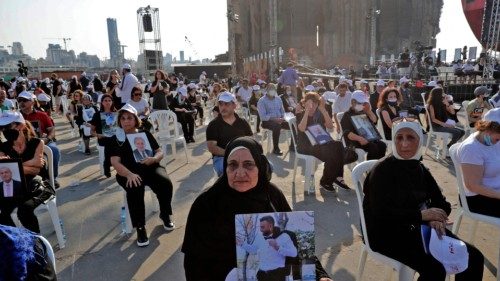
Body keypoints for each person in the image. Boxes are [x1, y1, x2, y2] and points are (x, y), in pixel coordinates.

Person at [182, 136, 333, 281]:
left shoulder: (272, 195)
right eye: (232, 165)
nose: (240, 173)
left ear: (260, 167)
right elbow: (194, 266)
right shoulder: (206, 204)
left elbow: (299, 248)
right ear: (225, 168)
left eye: (248, 164)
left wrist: (320, 275)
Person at [363, 119, 484, 281]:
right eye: (399, 138)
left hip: (419, 227)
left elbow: (442, 203)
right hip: (387, 233)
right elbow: (381, 213)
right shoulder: (382, 171)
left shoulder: (418, 167)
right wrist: (423, 216)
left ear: (420, 139)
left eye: (410, 138)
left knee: (473, 257)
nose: (404, 144)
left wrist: (436, 217)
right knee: (435, 270)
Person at [109, 104, 175, 247]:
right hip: (128, 172)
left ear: (136, 120)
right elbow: (115, 162)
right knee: (135, 188)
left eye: (130, 118)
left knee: (165, 183)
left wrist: (155, 159)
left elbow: (159, 151)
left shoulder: (145, 134)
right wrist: (129, 174)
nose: (126, 121)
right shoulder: (116, 139)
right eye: (123, 118)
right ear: (120, 121)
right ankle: (140, 227)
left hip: (150, 167)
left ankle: (165, 214)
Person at [0, 112, 55, 233]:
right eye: (2, 128)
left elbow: (37, 170)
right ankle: (15, 241)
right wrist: (31, 163)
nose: (4, 130)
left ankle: (37, 244)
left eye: (8, 127)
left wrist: (12, 165)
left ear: (21, 126)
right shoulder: (3, 147)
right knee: (2, 212)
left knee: (25, 210)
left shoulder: (36, 142)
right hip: (16, 188)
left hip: (39, 186)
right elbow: (6, 170)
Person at [296, 92, 348, 191]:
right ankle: (329, 180)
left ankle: (335, 178)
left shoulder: (319, 114)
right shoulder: (301, 114)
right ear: (305, 103)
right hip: (306, 146)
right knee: (332, 153)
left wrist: (323, 110)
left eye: (315, 103)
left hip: (321, 143)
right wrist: (307, 111)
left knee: (338, 145)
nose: (312, 105)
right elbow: (302, 128)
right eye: (310, 103)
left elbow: (330, 127)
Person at [456, 108, 500, 218]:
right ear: (488, 129)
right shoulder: (471, 148)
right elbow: (473, 186)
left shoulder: (492, 141)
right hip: (476, 198)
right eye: (498, 138)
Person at [18, 92, 61, 187]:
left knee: (54, 150)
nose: (21, 103)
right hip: (22, 144)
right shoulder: (16, 116)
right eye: (19, 100)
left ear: (32, 102)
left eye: (24, 100)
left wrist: (47, 139)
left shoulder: (42, 115)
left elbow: (51, 130)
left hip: (43, 141)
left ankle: (52, 177)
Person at [206, 92, 253, 176]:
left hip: (243, 156)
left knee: (267, 167)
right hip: (222, 157)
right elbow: (212, 147)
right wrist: (232, 154)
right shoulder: (213, 125)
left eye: (227, 104)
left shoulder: (242, 122)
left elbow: (251, 140)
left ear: (234, 105)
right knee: (231, 171)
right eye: (220, 104)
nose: (223, 107)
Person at [237, 215, 298, 281]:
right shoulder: (260, 237)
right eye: (260, 227)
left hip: (277, 275)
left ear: (270, 226)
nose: (260, 230)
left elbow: (294, 253)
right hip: (262, 275)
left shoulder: (284, 237)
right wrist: (242, 244)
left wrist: (277, 247)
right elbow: (254, 250)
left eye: (262, 227)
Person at [341, 91, 387, 160]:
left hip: (367, 139)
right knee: (373, 147)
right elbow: (348, 133)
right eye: (360, 103)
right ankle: (369, 167)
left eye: (364, 103)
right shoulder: (346, 115)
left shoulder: (363, 112)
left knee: (382, 145)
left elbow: (374, 121)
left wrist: (369, 111)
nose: (362, 105)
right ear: (353, 102)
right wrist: (360, 139)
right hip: (355, 141)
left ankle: (378, 165)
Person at [258, 83, 292, 155]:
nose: (272, 91)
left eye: (274, 89)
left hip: (279, 120)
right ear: (266, 90)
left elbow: (282, 111)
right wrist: (275, 119)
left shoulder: (278, 99)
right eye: (270, 89)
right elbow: (263, 116)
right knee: (277, 125)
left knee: (293, 124)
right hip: (267, 121)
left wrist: (282, 118)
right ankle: (276, 149)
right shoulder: (262, 101)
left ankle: (292, 146)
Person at [90, 94, 117, 178]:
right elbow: (91, 131)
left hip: (115, 137)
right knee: (110, 143)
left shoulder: (117, 114)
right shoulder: (97, 115)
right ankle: (107, 164)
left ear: (112, 102)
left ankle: (109, 163)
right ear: (102, 102)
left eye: (109, 100)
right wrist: (98, 135)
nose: (108, 102)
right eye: (105, 100)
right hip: (103, 138)